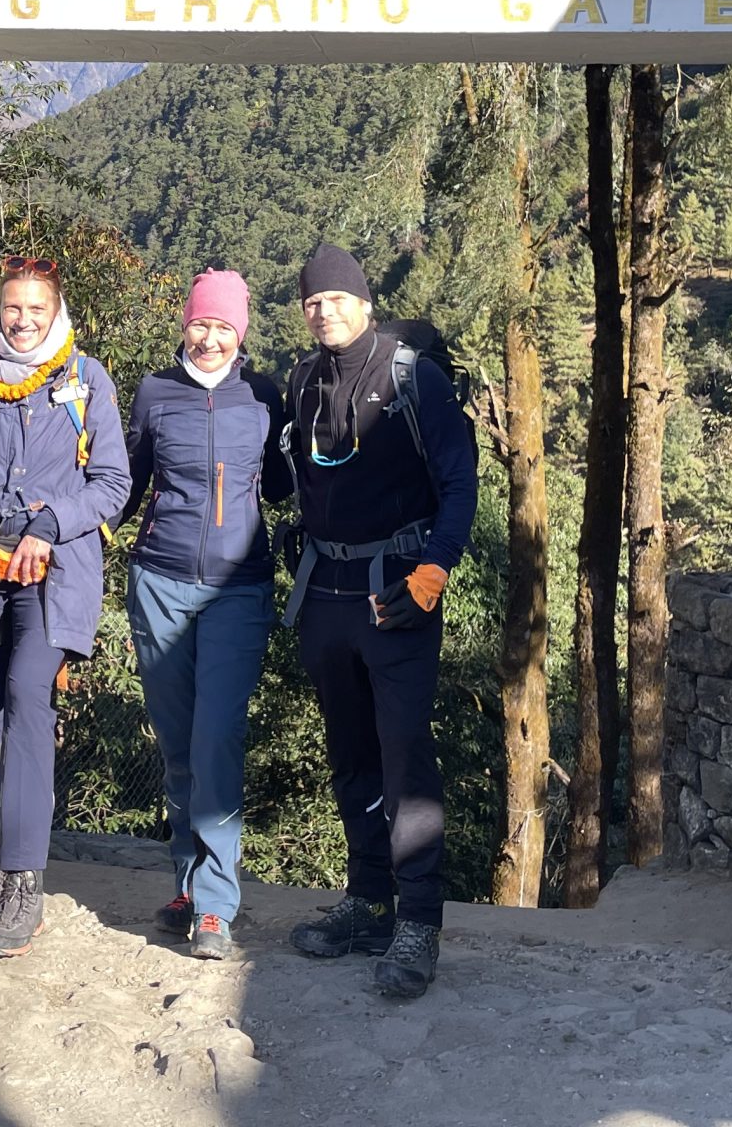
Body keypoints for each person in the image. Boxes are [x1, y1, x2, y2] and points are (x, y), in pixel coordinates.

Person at [0, 256, 130, 960]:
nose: (24, 319)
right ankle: (1, 861)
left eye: (37, 308)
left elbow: (111, 485)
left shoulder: (84, 380)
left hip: (51, 570)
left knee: (28, 697)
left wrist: (47, 526)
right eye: (14, 307)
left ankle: (24, 877)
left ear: (57, 310)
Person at [278, 245, 477, 1001]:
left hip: (399, 594)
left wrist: (433, 571)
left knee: (405, 760)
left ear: (363, 301)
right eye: (311, 303)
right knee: (351, 754)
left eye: (336, 298)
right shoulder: (303, 380)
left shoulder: (410, 376)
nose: (324, 312)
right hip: (325, 592)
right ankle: (368, 903)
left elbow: (459, 484)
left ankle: (419, 920)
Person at [121, 268, 291, 962]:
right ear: (184, 324)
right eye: (201, 323)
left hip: (238, 588)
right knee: (179, 740)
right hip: (159, 582)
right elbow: (126, 484)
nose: (212, 337)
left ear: (241, 331)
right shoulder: (155, 393)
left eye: (225, 326)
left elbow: (283, 486)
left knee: (218, 736)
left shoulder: (265, 395)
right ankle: (189, 886)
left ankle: (217, 905)